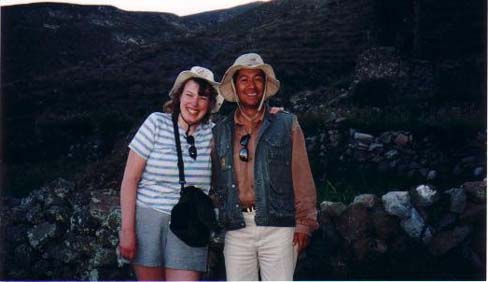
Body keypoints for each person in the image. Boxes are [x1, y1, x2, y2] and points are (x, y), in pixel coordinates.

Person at [211, 53, 319, 281]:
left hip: (279, 227)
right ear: (234, 85)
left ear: (265, 84)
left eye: (257, 78)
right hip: (237, 228)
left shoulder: (287, 123)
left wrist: (304, 223)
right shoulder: (219, 130)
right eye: (244, 79)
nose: (251, 86)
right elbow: (212, 177)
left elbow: (302, 176)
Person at [118, 66, 223, 281]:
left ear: (211, 103)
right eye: (189, 95)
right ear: (178, 97)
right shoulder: (156, 123)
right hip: (148, 220)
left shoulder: (214, 134)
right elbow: (130, 179)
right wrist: (127, 232)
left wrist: (271, 113)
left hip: (192, 224)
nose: (194, 103)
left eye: (202, 97)